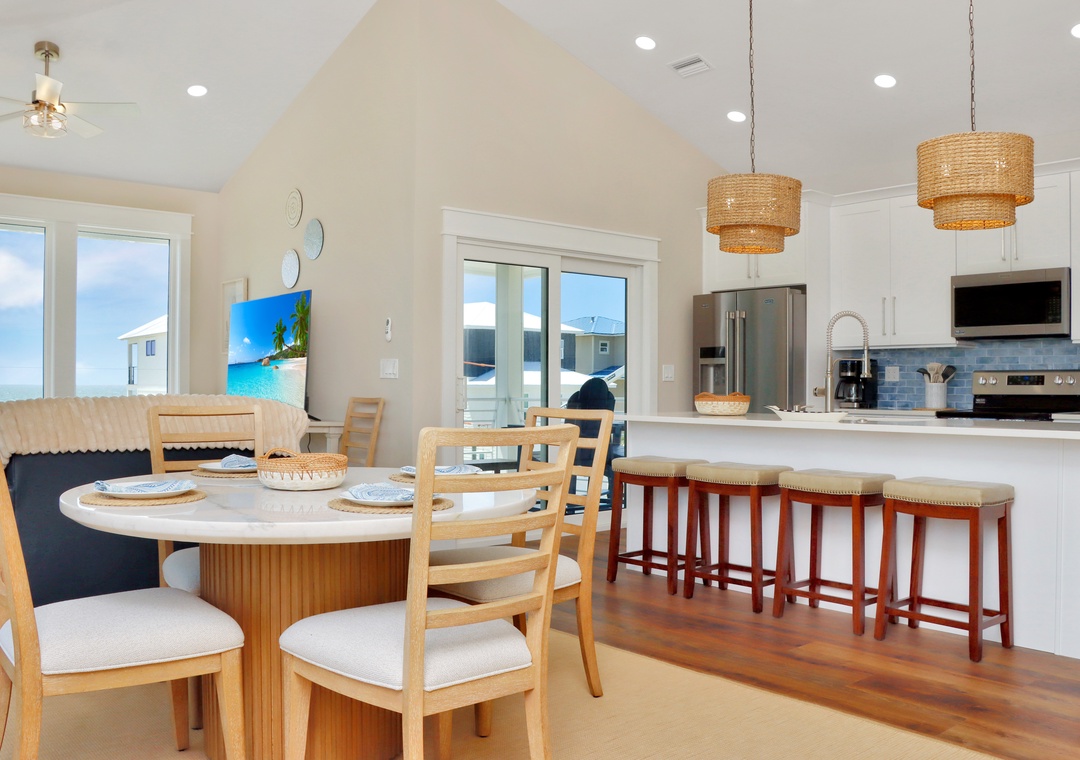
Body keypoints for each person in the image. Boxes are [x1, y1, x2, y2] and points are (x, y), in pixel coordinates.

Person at [565, 378, 616, 500]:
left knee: (571, 464)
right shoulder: (607, 401)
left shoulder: (575, 400)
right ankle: (612, 498)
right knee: (615, 461)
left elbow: (568, 425)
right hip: (601, 453)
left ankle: (570, 500)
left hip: (576, 452)